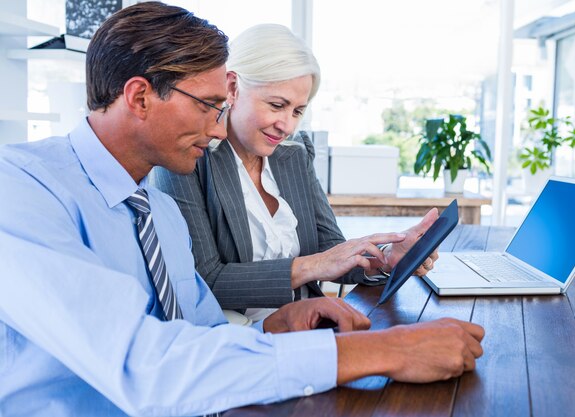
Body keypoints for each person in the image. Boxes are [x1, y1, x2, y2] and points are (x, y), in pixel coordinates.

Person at [0, 3, 484, 416]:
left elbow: (201, 334)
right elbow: (142, 364)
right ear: (140, 96)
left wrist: (276, 326)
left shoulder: (159, 214)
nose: (217, 130)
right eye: (210, 106)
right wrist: (384, 349)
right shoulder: (21, 190)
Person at [152, 24, 439, 322]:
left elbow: (331, 249)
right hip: (236, 337)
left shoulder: (294, 152)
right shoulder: (187, 156)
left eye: (297, 111)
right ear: (233, 88)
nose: (286, 125)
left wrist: (385, 258)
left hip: (309, 325)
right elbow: (204, 280)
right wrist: (311, 266)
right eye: (277, 105)